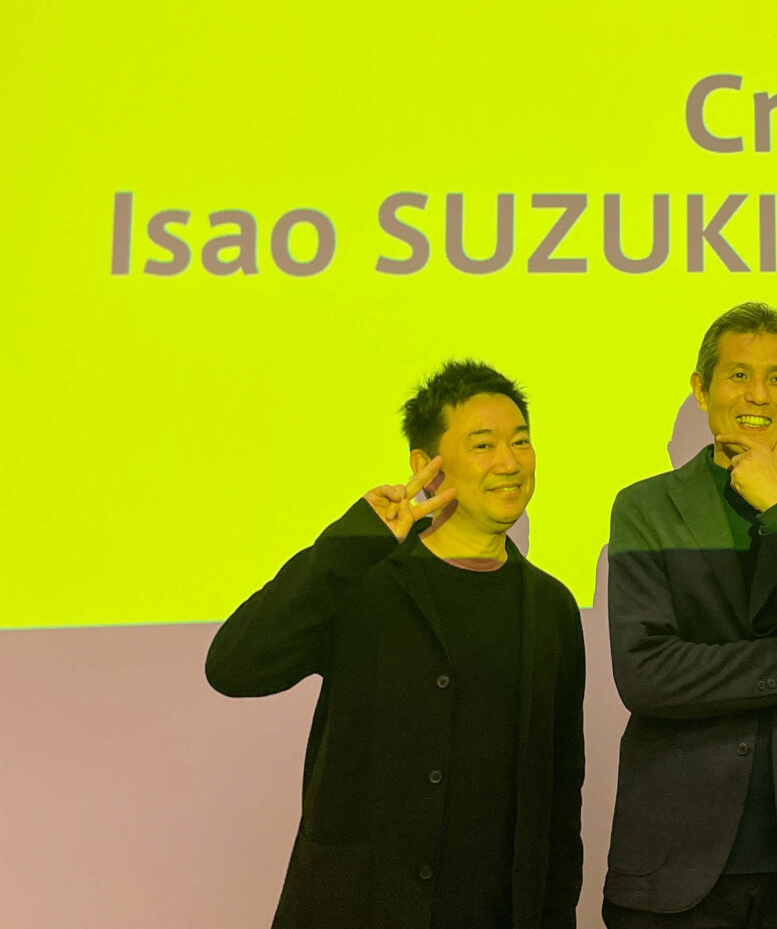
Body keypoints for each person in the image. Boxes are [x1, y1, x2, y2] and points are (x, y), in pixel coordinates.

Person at [205, 359, 585, 929]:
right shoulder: (363, 578)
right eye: (483, 445)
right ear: (425, 465)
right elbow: (235, 666)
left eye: (521, 441)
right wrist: (352, 541)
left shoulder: (551, 607)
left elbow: (559, 800)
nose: (509, 462)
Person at [602, 302, 777, 928]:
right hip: (668, 853)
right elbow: (644, 674)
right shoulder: (644, 507)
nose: (757, 395)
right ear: (701, 389)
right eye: (737, 375)